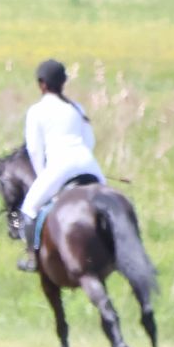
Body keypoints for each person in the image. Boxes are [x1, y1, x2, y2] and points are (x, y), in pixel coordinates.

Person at [16, 58, 104, 272]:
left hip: (60, 168)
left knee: (29, 209)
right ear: (63, 83)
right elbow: (90, 141)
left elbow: (35, 151)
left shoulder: (36, 111)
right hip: (90, 165)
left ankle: (32, 258)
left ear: (42, 84)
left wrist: (42, 177)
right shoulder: (76, 108)